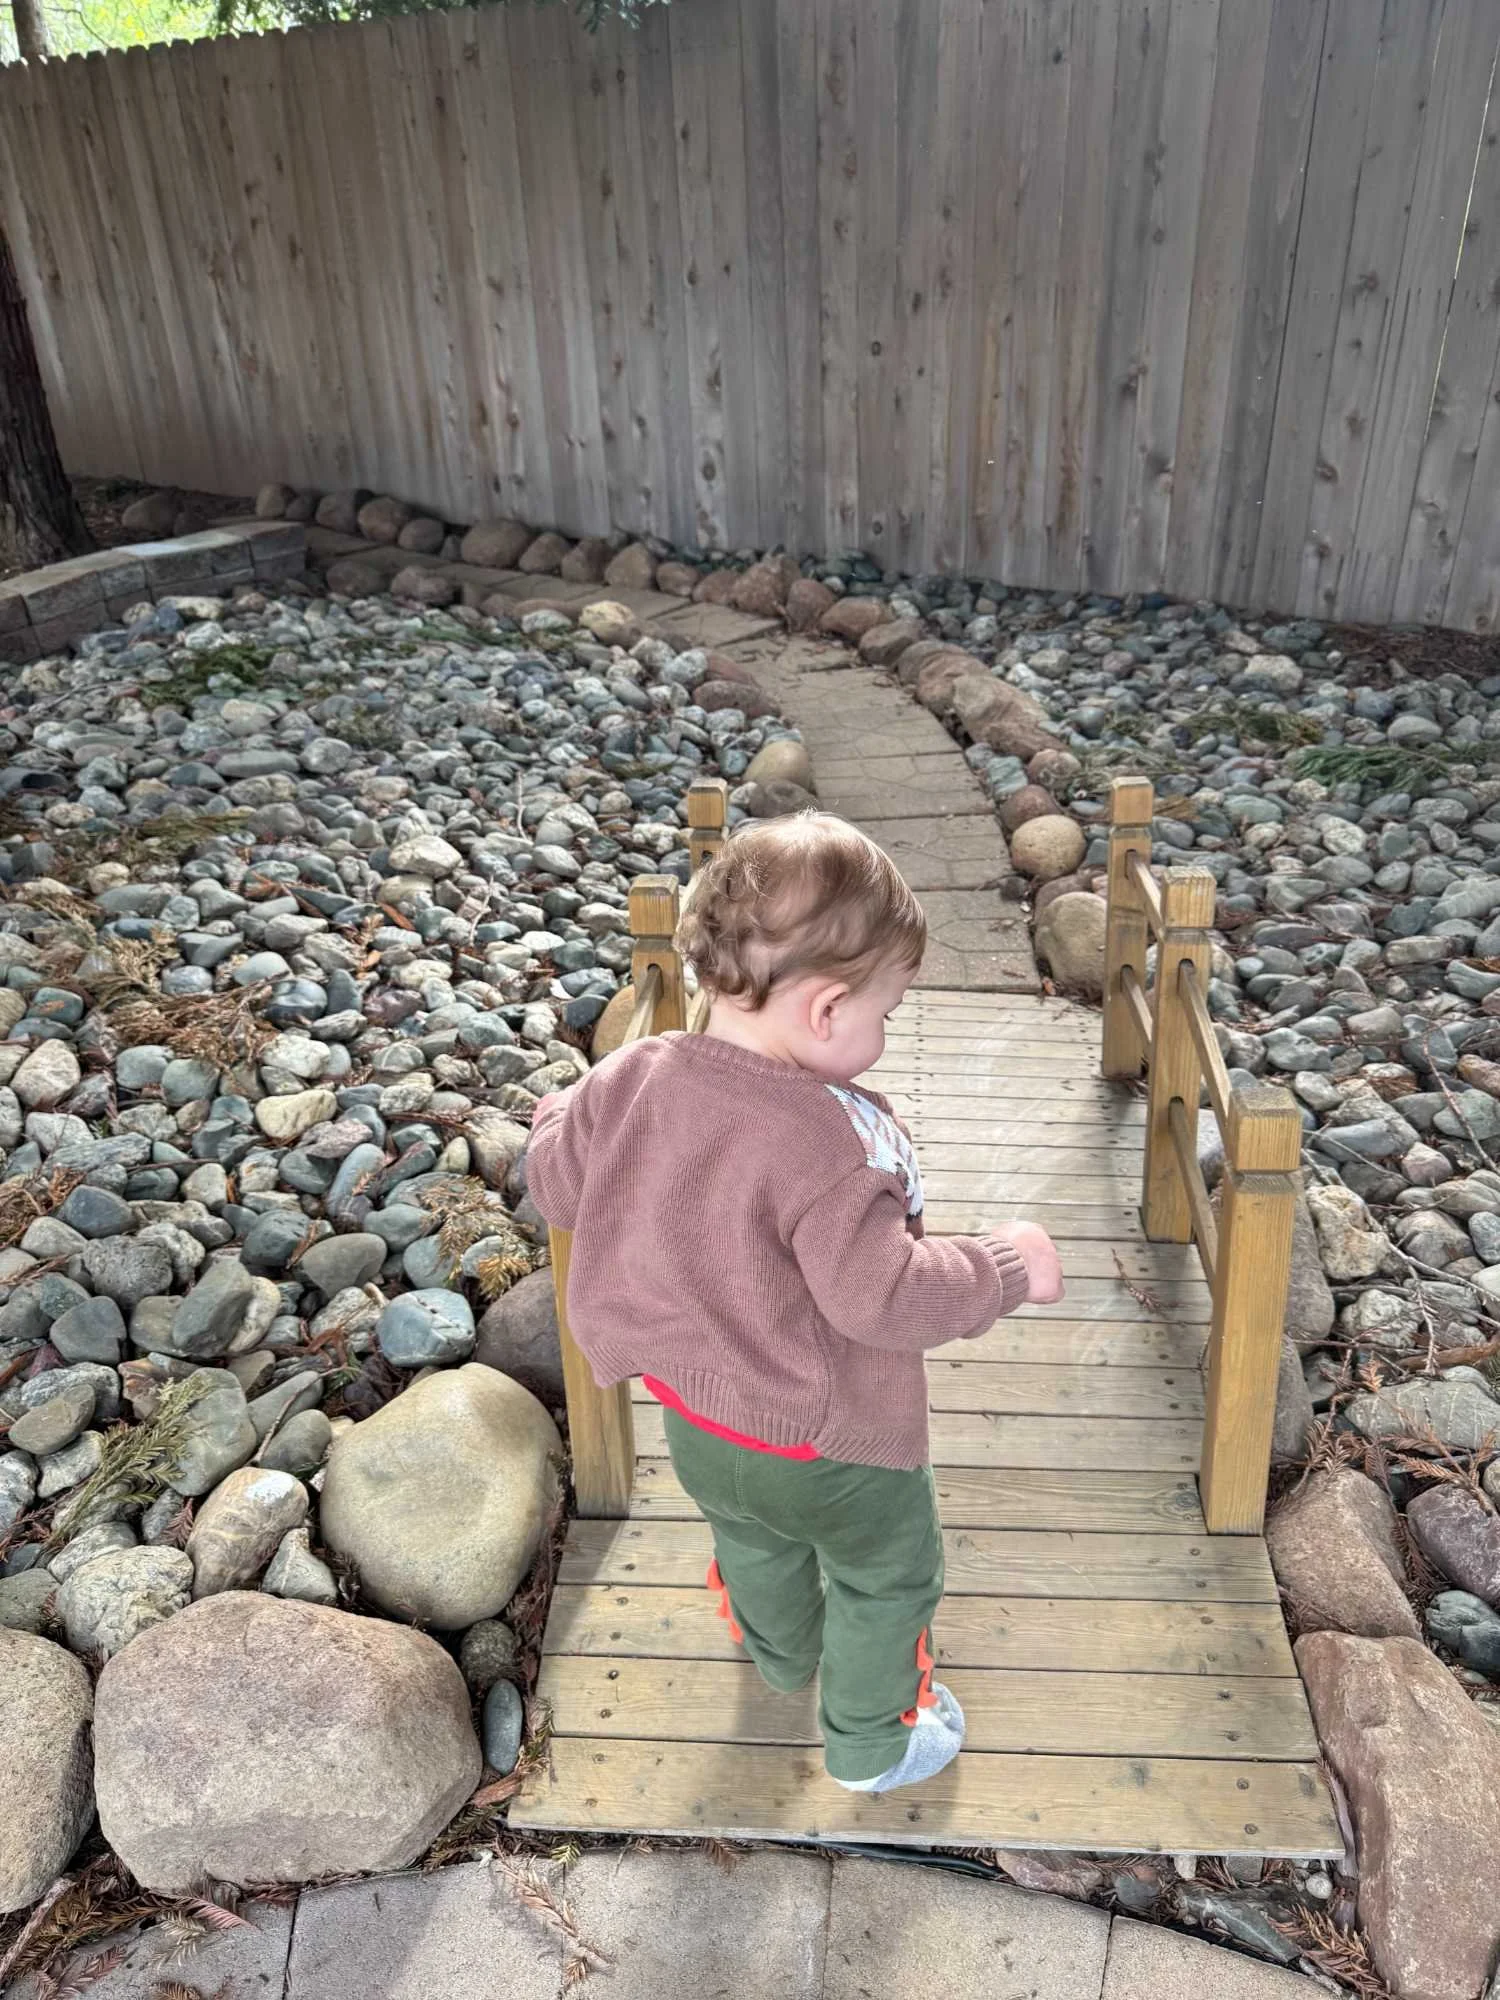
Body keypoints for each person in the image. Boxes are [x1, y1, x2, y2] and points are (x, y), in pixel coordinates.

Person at [527, 812, 1064, 1794]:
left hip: (694, 1420)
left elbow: (561, 1184)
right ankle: (872, 1741)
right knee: (886, 1577)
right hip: (835, 1443)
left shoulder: (630, 1078)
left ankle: (779, 1654)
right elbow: (882, 1295)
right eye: (886, 1011)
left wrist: (560, 1113)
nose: (885, 1031)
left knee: (754, 1537)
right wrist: (1005, 1265)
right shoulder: (827, 1144)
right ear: (823, 1010)